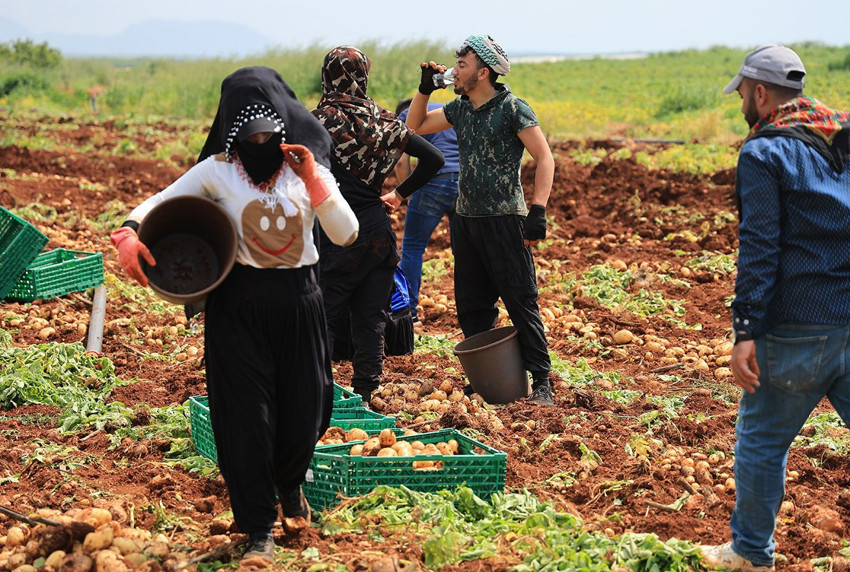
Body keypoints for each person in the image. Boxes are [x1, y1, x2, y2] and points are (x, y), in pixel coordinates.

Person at [109, 66, 358, 564]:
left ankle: (290, 481)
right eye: (249, 137)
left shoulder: (304, 167)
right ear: (231, 133)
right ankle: (258, 528)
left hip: (299, 301)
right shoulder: (217, 171)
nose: (259, 144)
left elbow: (345, 232)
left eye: (267, 134)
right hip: (238, 305)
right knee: (246, 416)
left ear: (283, 124)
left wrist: (313, 179)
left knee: (308, 408)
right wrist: (129, 232)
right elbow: (161, 199)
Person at [700, 44, 850, 572]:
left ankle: (748, 553)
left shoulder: (764, 151)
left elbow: (760, 247)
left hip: (796, 327)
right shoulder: (841, 134)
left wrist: (745, 329)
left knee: (761, 442)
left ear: (760, 93)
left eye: (742, 93)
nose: (741, 101)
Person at [402, 34, 556, 405]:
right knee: (472, 307)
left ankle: (541, 382)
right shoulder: (460, 109)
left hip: (505, 220)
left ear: (482, 72)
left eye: (462, 65)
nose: (454, 71)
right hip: (466, 221)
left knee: (520, 301)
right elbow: (413, 127)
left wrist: (538, 210)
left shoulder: (513, 109)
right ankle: (489, 380)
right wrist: (424, 90)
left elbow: (544, 158)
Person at [312, 46, 443, 405]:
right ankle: (365, 392)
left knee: (323, 315)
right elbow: (433, 158)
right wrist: (399, 194)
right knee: (371, 318)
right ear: (364, 77)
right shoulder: (384, 121)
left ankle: (317, 391)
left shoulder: (315, 123)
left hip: (336, 233)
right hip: (377, 233)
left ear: (327, 77)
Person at [394, 98, 460, 326]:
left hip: (433, 182)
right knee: (463, 251)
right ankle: (469, 311)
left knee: (412, 247)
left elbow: (400, 162)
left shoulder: (406, 116)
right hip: (464, 182)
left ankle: (409, 313)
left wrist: (407, 192)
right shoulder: (446, 110)